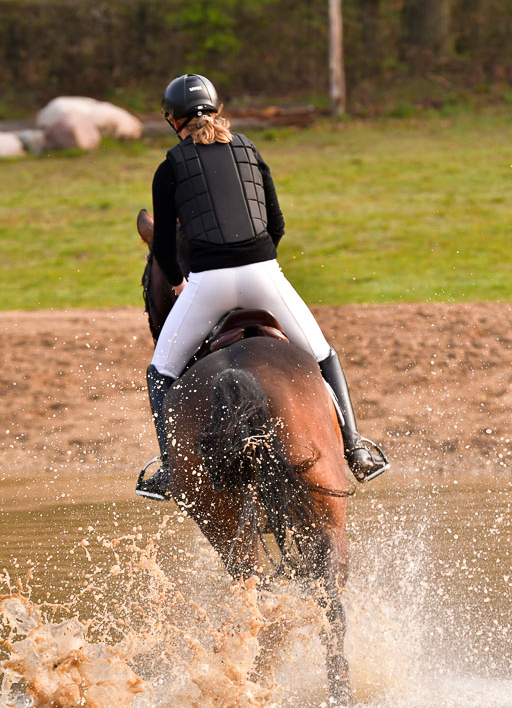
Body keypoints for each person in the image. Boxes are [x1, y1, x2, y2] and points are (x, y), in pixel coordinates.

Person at [136, 73, 388, 500]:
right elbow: (277, 223)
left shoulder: (169, 167)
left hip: (208, 283)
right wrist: (261, 264)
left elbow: (161, 246)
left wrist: (179, 285)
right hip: (264, 274)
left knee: (159, 374)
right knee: (322, 354)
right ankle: (355, 447)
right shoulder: (249, 149)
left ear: (172, 121)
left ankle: (170, 471)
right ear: (216, 110)